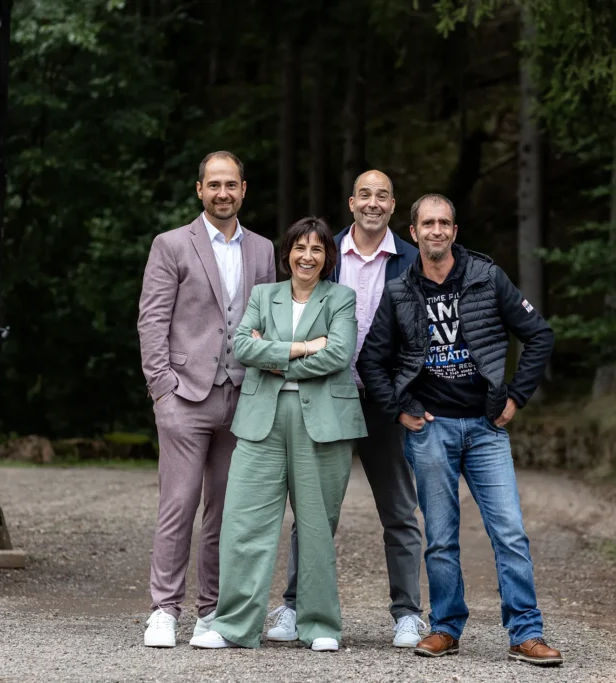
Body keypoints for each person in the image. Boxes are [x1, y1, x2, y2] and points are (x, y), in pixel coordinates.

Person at [357, 193, 562, 666]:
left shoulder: (486, 277)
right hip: (430, 430)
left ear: (454, 229)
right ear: (413, 232)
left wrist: (515, 396)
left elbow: (539, 334)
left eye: (444, 222)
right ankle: (446, 627)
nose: (436, 230)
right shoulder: (399, 291)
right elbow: (371, 358)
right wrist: (398, 408)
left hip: (486, 427)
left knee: (509, 531)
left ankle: (526, 632)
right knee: (442, 537)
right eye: (427, 223)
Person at [190, 217, 365, 652]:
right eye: (300, 248)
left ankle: (320, 624)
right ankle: (233, 626)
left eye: (317, 249)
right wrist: (305, 347)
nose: (308, 256)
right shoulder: (263, 295)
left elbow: (340, 354)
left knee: (316, 526)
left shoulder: (341, 297)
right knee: (244, 522)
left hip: (323, 423)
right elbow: (242, 347)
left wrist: (272, 355)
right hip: (261, 420)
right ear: (286, 253)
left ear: (328, 258)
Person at [267, 170, 426, 648]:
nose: (372, 203)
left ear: (392, 205)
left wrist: (404, 395)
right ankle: (295, 606)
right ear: (352, 202)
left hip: (386, 404)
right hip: (326, 396)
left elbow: (420, 339)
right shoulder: (324, 254)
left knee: (399, 510)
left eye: (382, 196)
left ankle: (407, 613)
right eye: (365, 195)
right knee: (314, 511)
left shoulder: (413, 262)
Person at [137, 151, 276, 648]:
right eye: (214, 185)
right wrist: (162, 389)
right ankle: (163, 609)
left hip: (242, 398)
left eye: (231, 185)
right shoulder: (171, 244)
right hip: (185, 396)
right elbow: (152, 320)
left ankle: (211, 610)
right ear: (200, 190)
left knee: (225, 510)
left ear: (244, 189)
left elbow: (267, 323)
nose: (223, 193)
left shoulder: (262, 249)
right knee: (178, 504)